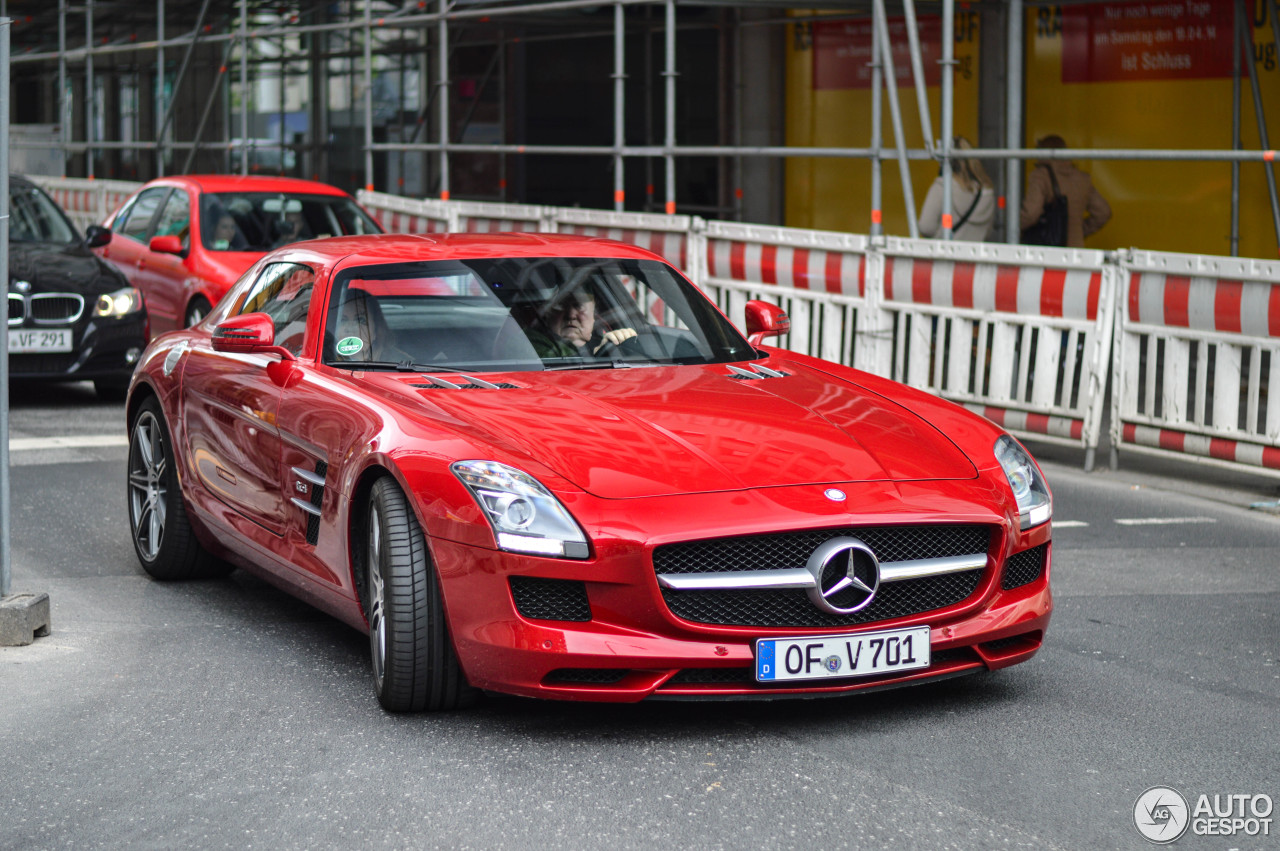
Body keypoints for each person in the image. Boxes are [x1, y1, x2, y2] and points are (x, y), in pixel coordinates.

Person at [1019, 134, 1112, 248]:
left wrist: (1013, 226)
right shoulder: (1082, 178)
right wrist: (1079, 231)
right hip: (1076, 249)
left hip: (1047, 249)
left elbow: (1031, 213)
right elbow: (1103, 212)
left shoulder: (1041, 176)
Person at [525, 285, 637, 359]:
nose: (571, 315)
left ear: (595, 315)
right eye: (560, 305)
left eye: (578, 305)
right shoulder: (531, 342)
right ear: (548, 314)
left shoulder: (605, 342)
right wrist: (596, 359)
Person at [918, 136, 996, 241]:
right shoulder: (987, 193)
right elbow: (988, 232)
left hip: (945, 254)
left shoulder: (942, 187)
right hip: (974, 255)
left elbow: (925, 227)